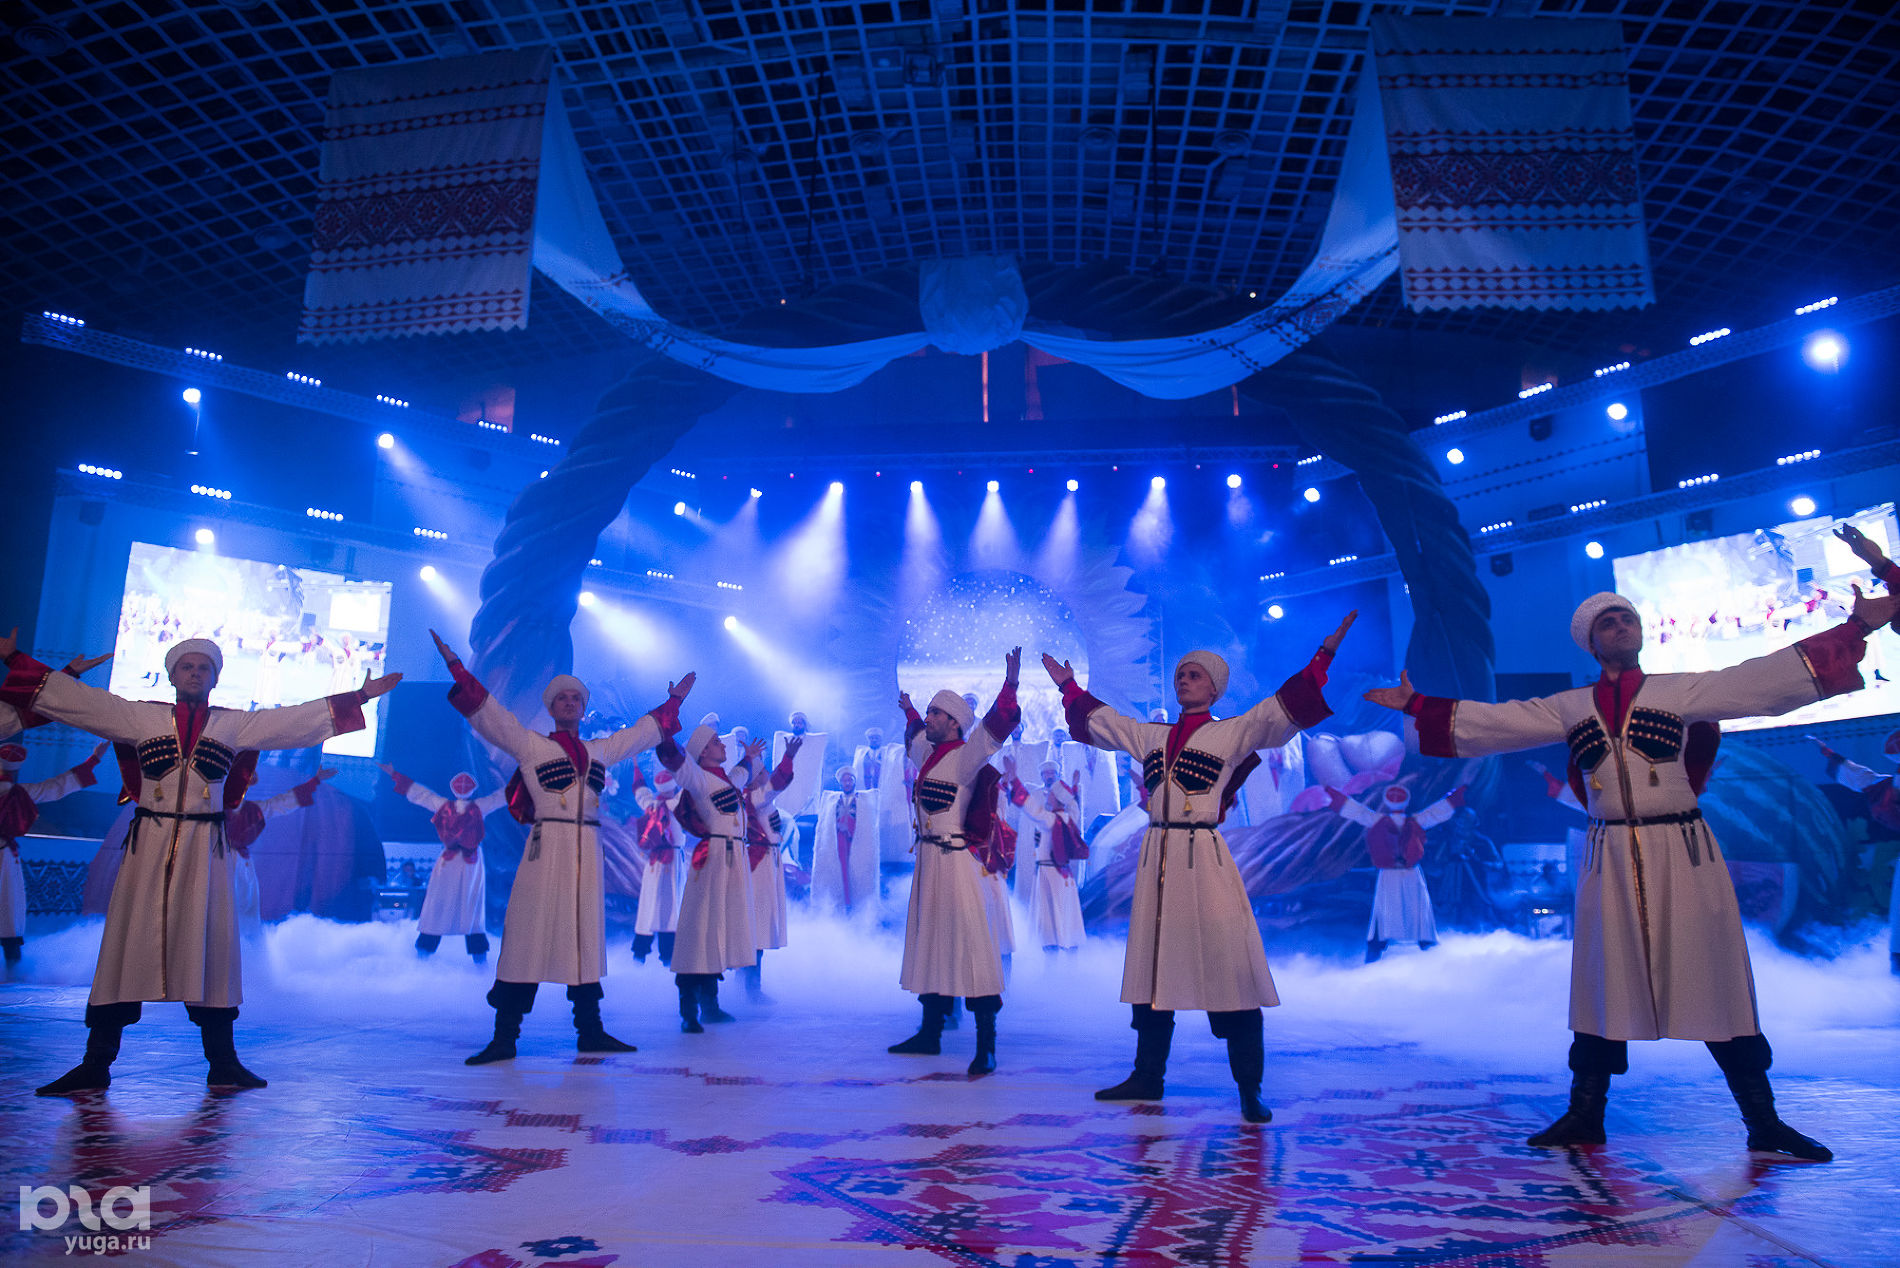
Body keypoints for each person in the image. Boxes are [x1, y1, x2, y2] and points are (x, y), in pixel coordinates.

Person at [1363, 587, 1900, 1160]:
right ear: (1592, 644)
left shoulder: (1681, 690)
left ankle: (1763, 1121)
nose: (1621, 625)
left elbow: (1763, 679)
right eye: (1609, 622)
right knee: (1603, 979)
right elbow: (1497, 722)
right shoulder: (1569, 706)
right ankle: (1585, 1114)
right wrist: (1416, 705)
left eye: (1627, 617)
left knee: (1714, 975)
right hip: (1610, 854)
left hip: (1682, 847)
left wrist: (1857, 629)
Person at [3, 632, 398, 1095]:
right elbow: (78, 701)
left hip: (205, 848)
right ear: (172, 675)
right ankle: (95, 1064)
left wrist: (361, 696)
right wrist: (14, 658)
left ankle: (223, 1064)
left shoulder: (235, 725)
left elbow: (294, 721)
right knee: (127, 946)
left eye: (204, 668)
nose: (195, 673)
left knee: (210, 946)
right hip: (148, 846)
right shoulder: (138, 716)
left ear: (215, 678)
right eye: (187, 667)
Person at [1044, 612, 1355, 1123]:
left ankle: (1249, 1088)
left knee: (1228, 964)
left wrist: (1323, 656)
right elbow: (1105, 723)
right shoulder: (1151, 735)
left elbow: (1280, 709)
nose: (1183, 680)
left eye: (1194, 675)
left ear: (1214, 688)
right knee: (1153, 966)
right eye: (1180, 674)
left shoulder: (1231, 733)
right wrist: (1069, 687)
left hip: (1203, 856)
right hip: (1158, 855)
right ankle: (1147, 1076)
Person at [430, 629, 689, 1064]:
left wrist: (674, 702)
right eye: (562, 699)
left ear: (584, 709)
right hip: (547, 846)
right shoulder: (531, 745)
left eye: (576, 699)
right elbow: (490, 714)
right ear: (550, 709)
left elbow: (642, 733)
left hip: (587, 849)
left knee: (585, 936)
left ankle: (591, 1030)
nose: (569, 704)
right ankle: (504, 1037)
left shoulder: (600, 751)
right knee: (528, 933)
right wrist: (457, 667)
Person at [889, 649, 1023, 1076]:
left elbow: (996, 726)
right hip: (929, 862)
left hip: (954, 861)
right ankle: (930, 1033)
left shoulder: (965, 757)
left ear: (954, 722)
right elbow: (915, 736)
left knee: (971, 947)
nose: (928, 718)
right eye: (929, 712)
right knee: (930, 942)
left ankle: (986, 1044)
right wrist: (910, 709)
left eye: (935, 713)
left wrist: (1011, 684)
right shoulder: (927, 756)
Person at [659, 718, 758, 1031]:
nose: (722, 744)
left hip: (732, 859)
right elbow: (676, 761)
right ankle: (689, 1009)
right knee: (700, 929)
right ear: (702, 752)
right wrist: (664, 729)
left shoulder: (724, 780)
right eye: (716, 741)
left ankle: (710, 1005)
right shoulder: (699, 778)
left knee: (716, 930)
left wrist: (749, 758)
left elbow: (741, 774)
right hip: (714, 858)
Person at [1309, 782, 1465, 962]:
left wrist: (1335, 797)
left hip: (1391, 874)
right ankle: (1425, 943)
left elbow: (1358, 811)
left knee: (1384, 910)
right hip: (1409, 873)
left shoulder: (1378, 820)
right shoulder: (1416, 820)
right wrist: (1455, 797)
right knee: (1418, 907)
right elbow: (1435, 813)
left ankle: (1377, 948)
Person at [381, 764, 506, 961]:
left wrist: (395, 774)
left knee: (440, 905)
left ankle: (425, 953)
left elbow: (421, 794)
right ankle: (473, 957)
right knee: (468, 907)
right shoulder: (479, 807)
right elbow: (500, 797)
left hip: (455, 862)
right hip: (467, 863)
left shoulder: (445, 806)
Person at [0, 740, 107, 962]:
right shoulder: (20, 793)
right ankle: (12, 966)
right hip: (5, 856)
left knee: (9, 907)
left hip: (6, 854)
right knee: (9, 910)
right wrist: (94, 760)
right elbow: (55, 787)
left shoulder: (19, 793)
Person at [1812, 731, 1900, 975]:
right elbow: (1862, 777)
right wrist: (1830, 754)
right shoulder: (1885, 787)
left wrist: (1831, 755)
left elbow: (1862, 778)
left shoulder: (1884, 787)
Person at [224, 764, 334, 941]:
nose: (241, 790)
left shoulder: (251, 809)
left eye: (244, 786)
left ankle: (244, 947)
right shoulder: (215, 810)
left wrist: (315, 781)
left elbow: (280, 803)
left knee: (246, 909)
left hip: (242, 864)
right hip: (220, 862)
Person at [738, 736, 802, 1002]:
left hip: (766, 863)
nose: (767, 774)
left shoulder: (759, 799)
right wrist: (789, 757)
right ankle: (751, 988)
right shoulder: (755, 797)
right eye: (763, 772)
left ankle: (749, 986)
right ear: (754, 779)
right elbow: (779, 781)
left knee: (759, 925)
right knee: (757, 925)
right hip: (758, 864)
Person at [1007, 758, 1087, 952]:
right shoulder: (1069, 817)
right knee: (1066, 912)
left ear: (1057, 799)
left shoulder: (1051, 820)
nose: (1048, 796)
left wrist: (1014, 779)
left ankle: (1053, 949)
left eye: (1051, 795)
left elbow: (1031, 809)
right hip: (1063, 875)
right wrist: (1073, 788)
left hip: (1050, 874)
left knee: (1050, 914)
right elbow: (1074, 807)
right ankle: (1068, 946)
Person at [627, 763, 685, 965]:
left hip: (654, 863)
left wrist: (636, 767)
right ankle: (667, 956)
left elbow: (640, 791)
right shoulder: (676, 804)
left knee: (649, 906)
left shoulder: (650, 804)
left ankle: (640, 952)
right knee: (669, 909)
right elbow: (690, 787)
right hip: (671, 862)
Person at [812, 765, 879, 914]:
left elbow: (866, 824)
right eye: (844, 780)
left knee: (856, 871)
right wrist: (837, 827)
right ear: (840, 783)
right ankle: (840, 903)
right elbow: (827, 823)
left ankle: (858, 905)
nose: (847, 783)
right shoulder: (833, 801)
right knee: (840, 871)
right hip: (838, 842)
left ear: (854, 782)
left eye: (850, 780)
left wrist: (850, 829)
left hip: (856, 841)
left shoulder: (862, 801)